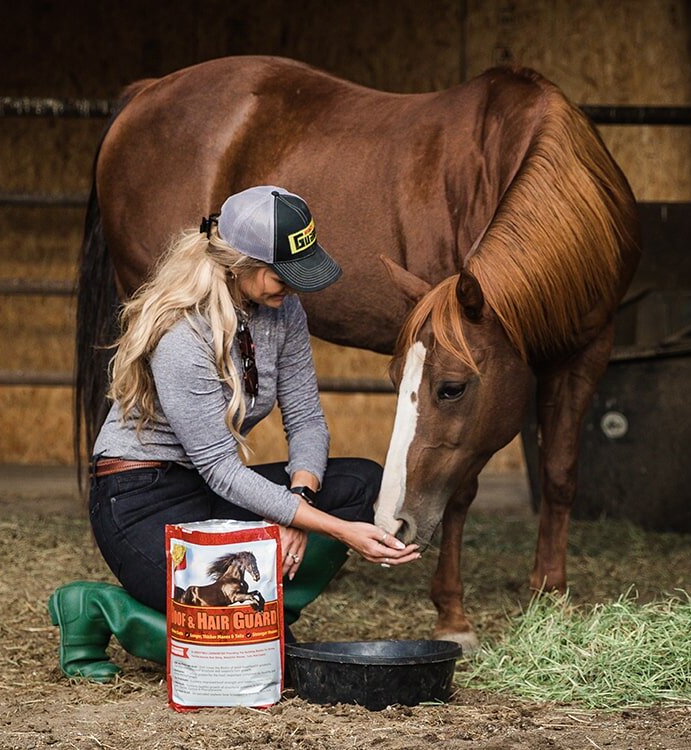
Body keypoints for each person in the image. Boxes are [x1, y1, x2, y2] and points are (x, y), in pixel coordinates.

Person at [49, 185, 420, 681]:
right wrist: (330, 527)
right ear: (237, 263)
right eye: (280, 275)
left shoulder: (284, 311)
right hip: (139, 500)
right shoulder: (184, 332)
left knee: (357, 484)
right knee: (238, 643)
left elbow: (307, 419)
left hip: (205, 491)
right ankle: (100, 607)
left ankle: (269, 617)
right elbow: (222, 469)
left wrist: (299, 502)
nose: (292, 287)